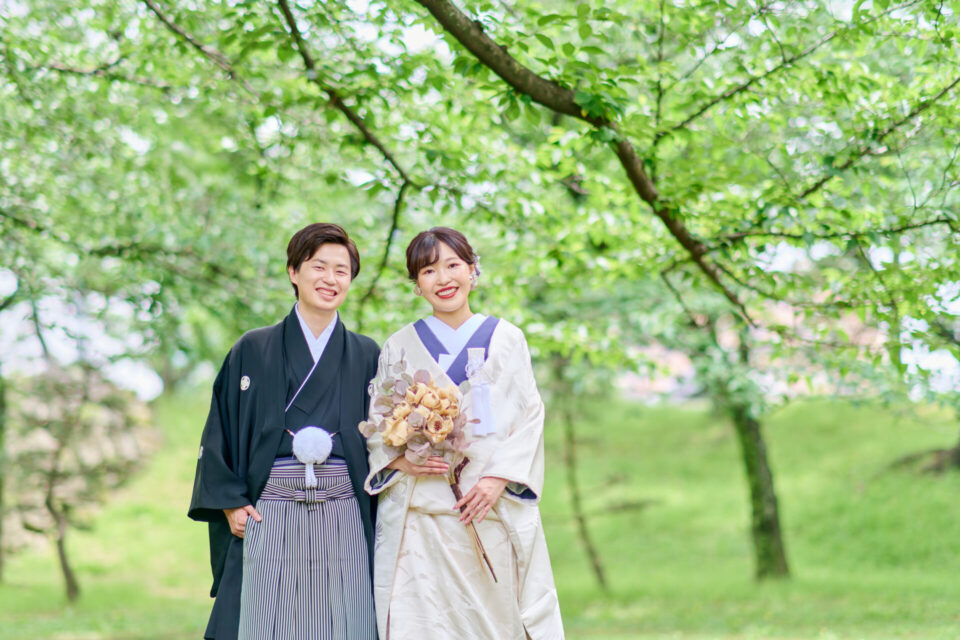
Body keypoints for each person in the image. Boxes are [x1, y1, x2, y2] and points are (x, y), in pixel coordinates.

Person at [363, 227, 564, 639]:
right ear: (417, 285)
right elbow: (378, 426)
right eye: (429, 270)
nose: (443, 278)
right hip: (421, 526)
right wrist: (401, 459)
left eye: (453, 265)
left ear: (473, 270)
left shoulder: (508, 339)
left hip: (487, 511)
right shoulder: (398, 346)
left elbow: (529, 417)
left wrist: (495, 480)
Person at [189, 223, 379, 640]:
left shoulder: (367, 354)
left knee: (346, 619)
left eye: (342, 271)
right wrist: (230, 502)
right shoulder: (252, 349)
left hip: (343, 506)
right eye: (319, 267)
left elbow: (383, 444)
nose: (330, 279)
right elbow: (219, 429)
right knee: (265, 620)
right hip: (270, 505)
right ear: (294, 271)